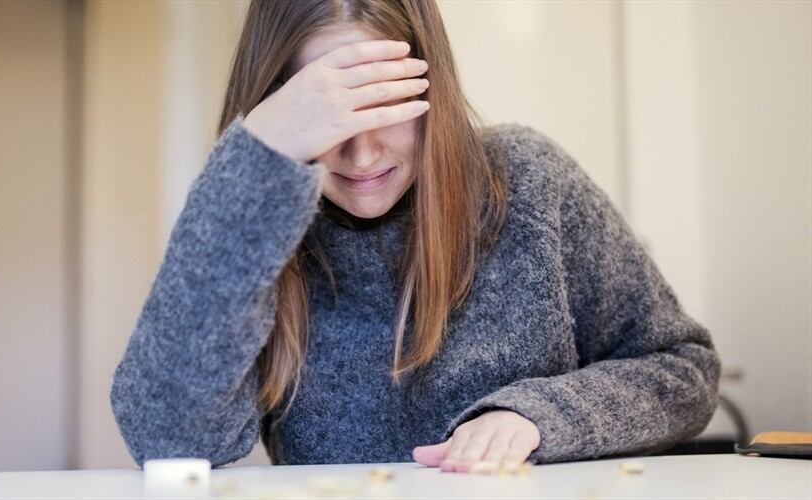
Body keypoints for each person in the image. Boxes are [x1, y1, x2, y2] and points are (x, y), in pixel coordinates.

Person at [110, 0, 721, 474]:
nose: (362, 151)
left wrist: (540, 417)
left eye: (388, 105)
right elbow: (168, 439)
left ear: (433, 95)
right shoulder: (254, 217)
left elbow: (683, 369)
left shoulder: (527, 182)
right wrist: (255, 159)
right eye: (328, 112)